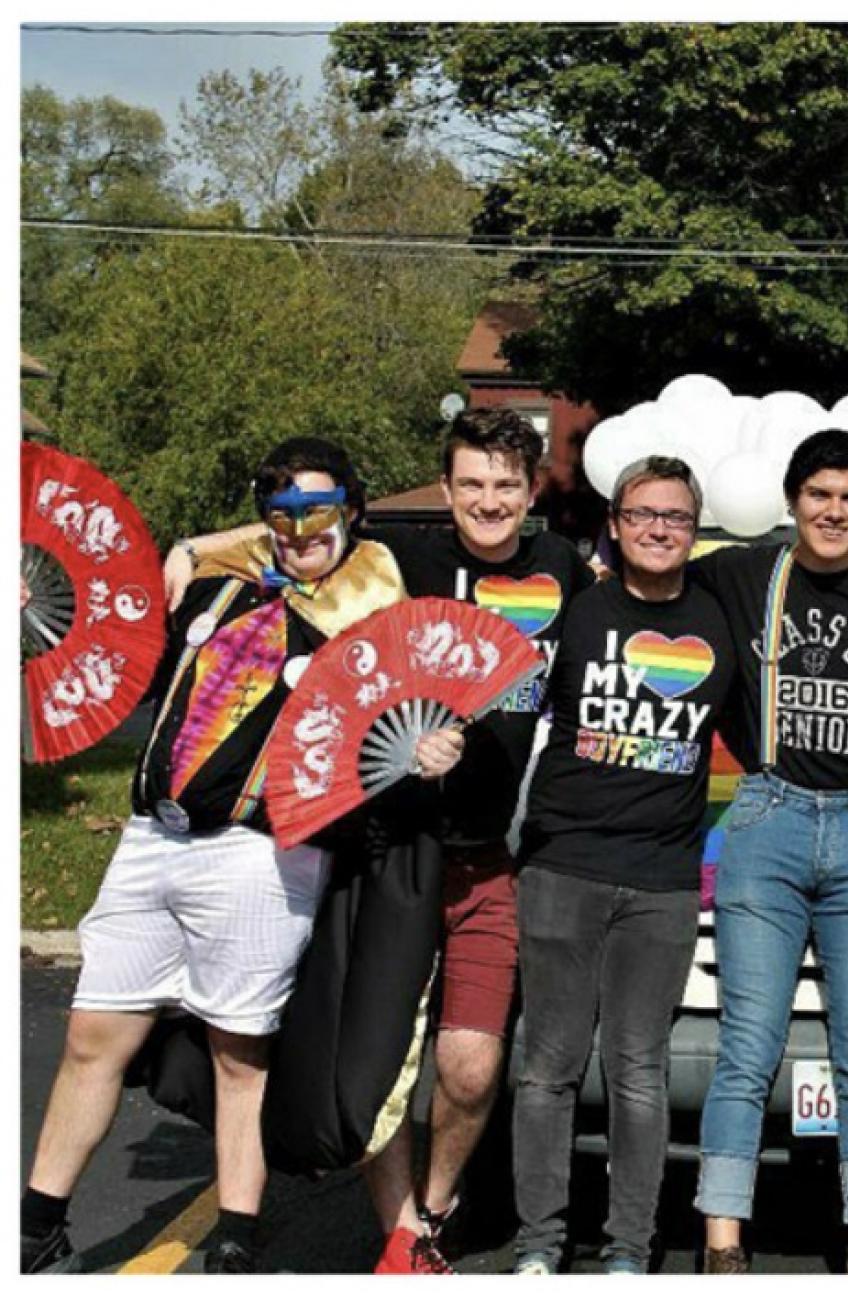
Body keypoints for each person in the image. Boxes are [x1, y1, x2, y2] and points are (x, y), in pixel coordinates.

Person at [167, 408, 597, 1273]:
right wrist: (194, 547)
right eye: (471, 483)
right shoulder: (406, 558)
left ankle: (434, 1212)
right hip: (389, 849)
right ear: (445, 491)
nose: (489, 500)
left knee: (470, 1067)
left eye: (506, 485)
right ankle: (406, 1235)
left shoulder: (565, 571)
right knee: (373, 1058)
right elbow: (303, 526)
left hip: (490, 856)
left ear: (530, 492)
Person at [21, 438, 407, 1275]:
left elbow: (348, 561)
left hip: (257, 853)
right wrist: (197, 547)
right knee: (93, 1033)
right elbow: (175, 587)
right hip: (152, 838)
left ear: (352, 509)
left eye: (318, 508)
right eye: (278, 509)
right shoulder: (224, 579)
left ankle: (235, 1234)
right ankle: (35, 1223)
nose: (296, 526)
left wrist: (236, 535)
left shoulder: (369, 589)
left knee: (241, 1050)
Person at [689, 430, 848, 1274]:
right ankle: (723, 1238)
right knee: (747, 1043)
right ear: (793, 500)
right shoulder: (739, 573)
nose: (835, 511)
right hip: (768, 820)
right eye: (820, 494)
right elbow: (656, 601)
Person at [508, 456, 737, 1274]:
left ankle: (628, 1252)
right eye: (643, 513)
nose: (658, 528)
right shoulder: (574, 609)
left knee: (638, 1071)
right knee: (548, 1068)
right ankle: (539, 1244)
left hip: (663, 882)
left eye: (676, 517)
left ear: (695, 529)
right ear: (615, 520)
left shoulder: (718, 622)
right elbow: (506, 708)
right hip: (561, 865)